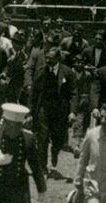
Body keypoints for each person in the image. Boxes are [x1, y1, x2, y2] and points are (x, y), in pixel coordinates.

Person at [31, 47, 76, 179]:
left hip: (60, 111)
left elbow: (74, 93)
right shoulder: (41, 72)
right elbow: (34, 93)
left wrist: (72, 111)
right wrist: (30, 111)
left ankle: (55, 150)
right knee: (43, 138)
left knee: (58, 139)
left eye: (51, 58)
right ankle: (42, 168)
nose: (48, 60)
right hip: (44, 109)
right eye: (47, 58)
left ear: (58, 58)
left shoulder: (67, 73)